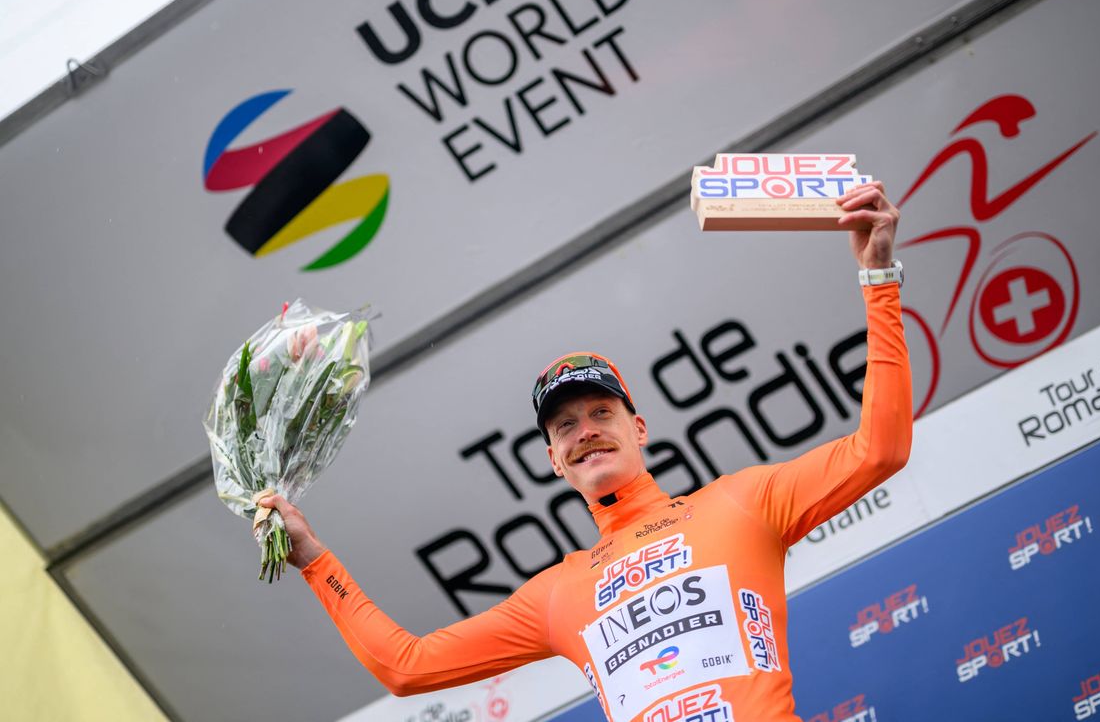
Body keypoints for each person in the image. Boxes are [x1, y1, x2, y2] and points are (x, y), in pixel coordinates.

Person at [260, 180, 911, 722]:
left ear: (640, 427)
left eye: (602, 412)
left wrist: (878, 278)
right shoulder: (557, 592)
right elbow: (407, 666)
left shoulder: (743, 502)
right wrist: (315, 559)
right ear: (553, 459)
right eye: (565, 425)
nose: (587, 430)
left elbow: (880, 448)